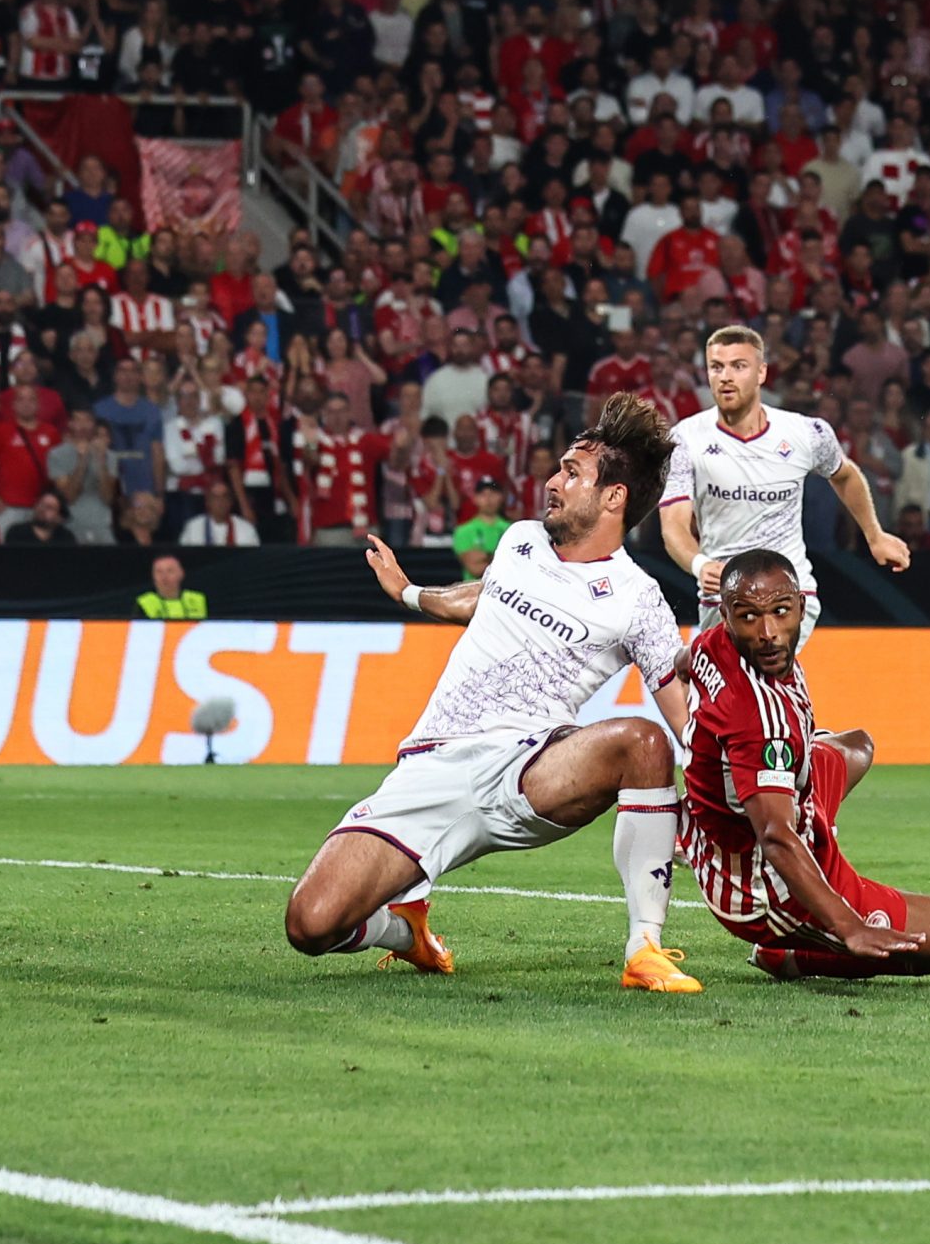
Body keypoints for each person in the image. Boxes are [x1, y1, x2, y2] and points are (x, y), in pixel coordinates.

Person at [283, 395, 703, 995]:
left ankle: (645, 948)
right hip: (432, 766)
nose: (552, 481)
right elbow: (482, 597)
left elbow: (684, 716)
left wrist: (720, 789)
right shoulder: (521, 541)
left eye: (572, 473)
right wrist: (409, 594)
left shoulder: (639, 598)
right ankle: (406, 934)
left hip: (530, 767)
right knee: (310, 924)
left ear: (614, 497)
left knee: (643, 741)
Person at [678, 549, 930, 982]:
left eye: (780, 612)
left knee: (856, 747)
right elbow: (776, 837)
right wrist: (849, 926)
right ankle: (785, 956)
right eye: (749, 618)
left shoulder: (712, 644)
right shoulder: (763, 722)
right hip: (764, 889)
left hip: (729, 827)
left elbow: (683, 664)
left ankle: (701, 826)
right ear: (728, 618)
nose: (768, 633)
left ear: (801, 607)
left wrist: (706, 770)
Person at [659, 324, 909, 649]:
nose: (725, 377)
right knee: (724, 682)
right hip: (722, 595)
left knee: (762, 668)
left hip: (790, 589)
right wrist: (699, 564)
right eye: (716, 367)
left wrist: (875, 535)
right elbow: (673, 526)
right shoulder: (684, 440)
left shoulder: (806, 433)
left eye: (738, 366)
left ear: (762, 372)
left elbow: (845, 475)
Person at [136, 554, 207, 619]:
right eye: (159, 572)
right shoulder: (144, 602)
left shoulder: (198, 599)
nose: (164, 577)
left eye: (170, 571)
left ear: (181, 574)